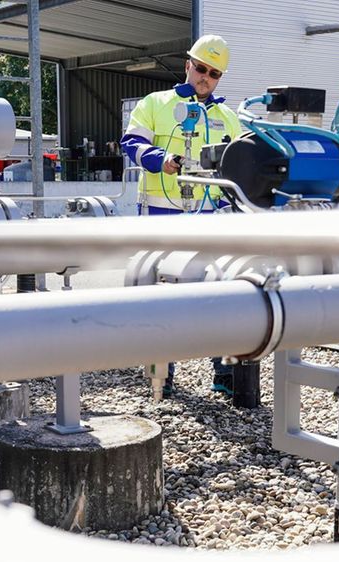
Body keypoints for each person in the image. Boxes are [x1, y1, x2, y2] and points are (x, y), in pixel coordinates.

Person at [121, 35, 243, 395]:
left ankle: (224, 374)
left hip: (211, 216)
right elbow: (132, 143)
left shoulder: (227, 117)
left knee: (223, 295)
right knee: (163, 299)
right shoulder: (156, 104)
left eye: (214, 73)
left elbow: (238, 164)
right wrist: (162, 160)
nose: (205, 77)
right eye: (201, 68)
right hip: (161, 214)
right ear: (187, 64)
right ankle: (162, 376)